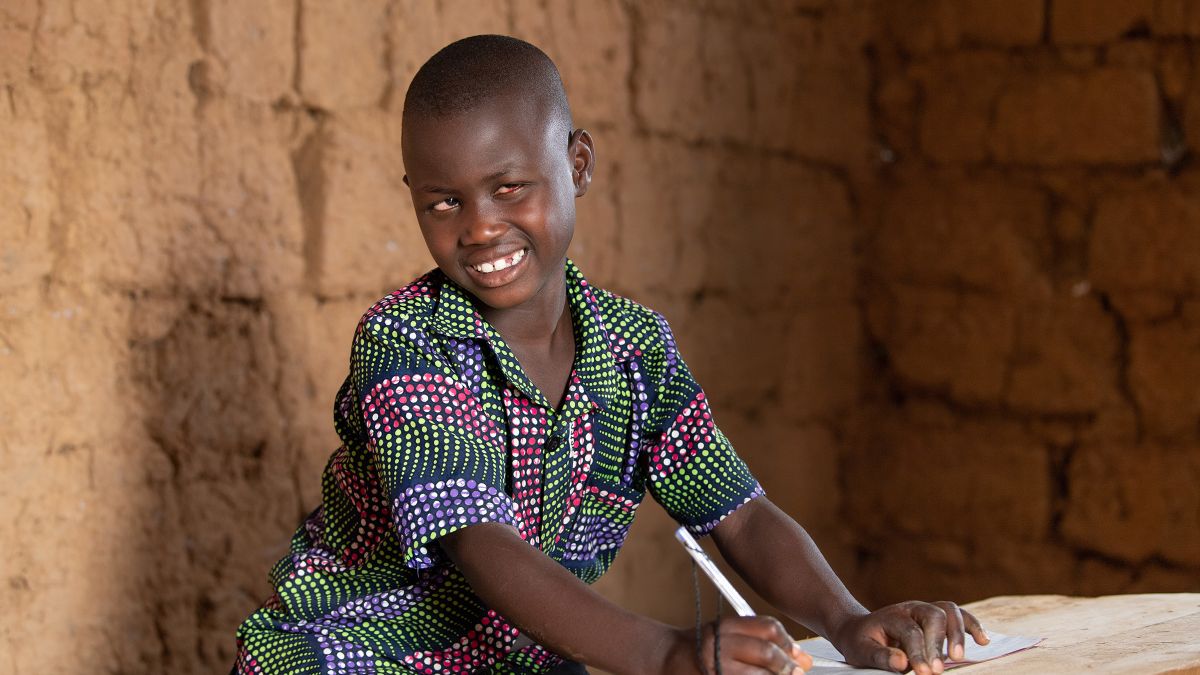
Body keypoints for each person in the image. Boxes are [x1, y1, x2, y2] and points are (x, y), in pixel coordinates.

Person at [233, 35, 988, 675]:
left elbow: (740, 513)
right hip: (345, 656)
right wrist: (665, 653)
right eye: (443, 202)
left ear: (579, 165)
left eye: (510, 187)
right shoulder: (408, 341)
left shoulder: (635, 351)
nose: (481, 228)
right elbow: (481, 543)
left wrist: (847, 621)